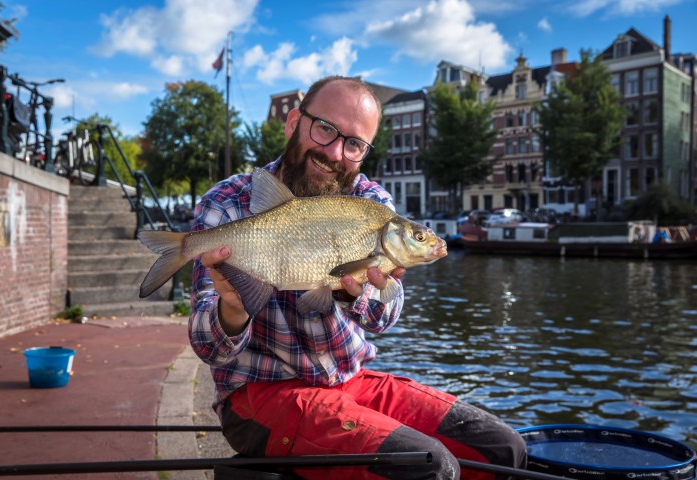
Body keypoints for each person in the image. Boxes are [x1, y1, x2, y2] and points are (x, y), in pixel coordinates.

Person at [188, 76, 526, 479]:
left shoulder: (372, 204)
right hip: (260, 393)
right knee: (428, 468)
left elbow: (386, 316)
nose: (335, 152)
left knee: (504, 449)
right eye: (325, 128)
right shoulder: (227, 204)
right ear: (293, 121)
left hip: (351, 379)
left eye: (354, 144)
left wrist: (359, 295)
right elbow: (208, 348)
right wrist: (232, 310)